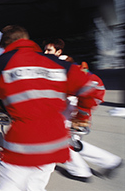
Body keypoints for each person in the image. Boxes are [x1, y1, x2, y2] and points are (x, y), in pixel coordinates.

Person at [0, 25, 104, 191]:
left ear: (5, 43)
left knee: (6, 187)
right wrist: (82, 116)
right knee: (36, 186)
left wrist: (4, 89)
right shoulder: (57, 63)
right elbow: (93, 88)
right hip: (56, 140)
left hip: (23, 142)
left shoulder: (1, 64)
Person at [43, 38, 123, 182]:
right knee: (69, 140)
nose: (45, 52)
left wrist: (82, 116)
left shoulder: (64, 66)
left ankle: (81, 171)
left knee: (59, 138)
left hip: (74, 105)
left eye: (49, 50)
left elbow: (84, 90)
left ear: (59, 52)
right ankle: (109, 162)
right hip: (75, 105)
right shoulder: (65, 64)